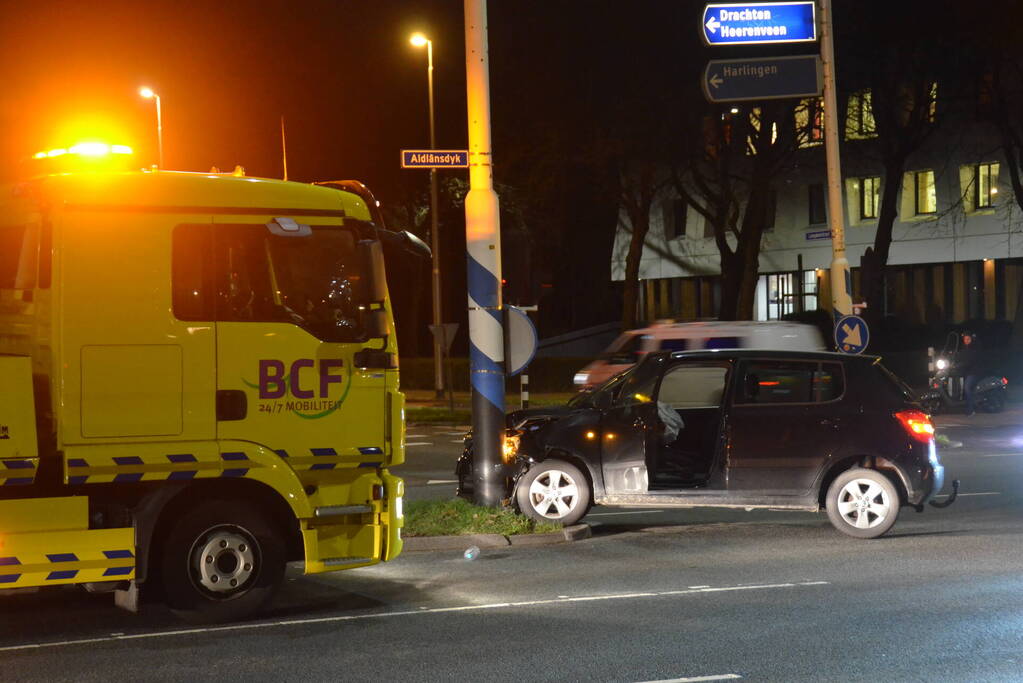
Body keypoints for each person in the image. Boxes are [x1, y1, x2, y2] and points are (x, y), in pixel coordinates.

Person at [957, 333, 980, 416]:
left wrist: (961, 365)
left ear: (971, 340)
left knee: (966, 388)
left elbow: (970, 361)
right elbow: (959, 357)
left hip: (973, 372)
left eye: (968, 339)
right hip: (966, 372)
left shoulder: (974, 349)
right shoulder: (963, 349)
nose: (966, 341)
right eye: (965, 339)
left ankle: (971, 409)